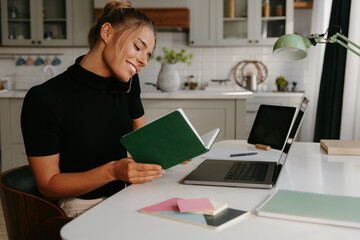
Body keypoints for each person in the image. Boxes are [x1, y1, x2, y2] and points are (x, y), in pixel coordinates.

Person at [21, 0, 169, 218]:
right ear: (107, 33)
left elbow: (142, 142)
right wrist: (113, 171)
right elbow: (49, 185)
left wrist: (171, 147)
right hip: (79, 206)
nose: (143, 61)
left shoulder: (128, 84)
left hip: (125, 196)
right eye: (138, 47)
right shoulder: (45, 98)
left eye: (148, 55)